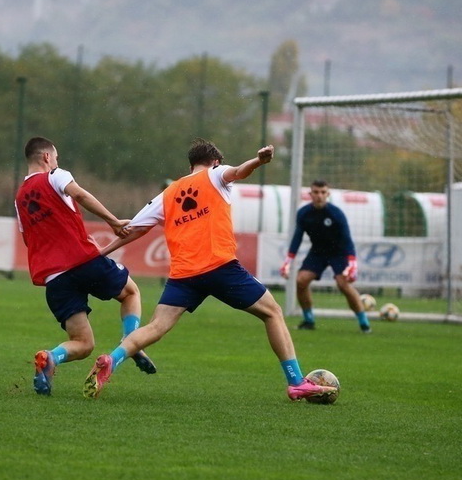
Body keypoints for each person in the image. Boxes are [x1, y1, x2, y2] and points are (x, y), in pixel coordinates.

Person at [82, 138, 337, 402]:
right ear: (215, 161)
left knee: (157, 326)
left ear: (191, 163)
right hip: (219, 267)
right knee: (272, 312)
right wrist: (259, 161)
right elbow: (238, 172)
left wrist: (101, 253)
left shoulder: (168, 193)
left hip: (184, 275)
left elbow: (134, 229)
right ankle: (296, 381)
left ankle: (112, 359)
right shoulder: (215, 175)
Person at [14, 136, 156, 396]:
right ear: (47, 157)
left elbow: (28, 238)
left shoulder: (19, 197)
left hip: (54, 277)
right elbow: (79, 194)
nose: (56, 161)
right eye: (55, 157)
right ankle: (130, 341)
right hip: (82, 261)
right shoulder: (55, 175)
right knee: (131, 292)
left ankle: (51, 357)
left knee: (82, 343)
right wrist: (113, 221)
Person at [278, 179, 371, 333]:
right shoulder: (303, 213)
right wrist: (288, 260)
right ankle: (309, 320)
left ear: (328, 194)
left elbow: (347, 239)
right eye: (316, 192)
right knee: (300, 281)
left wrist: (352, 263)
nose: (319, 196)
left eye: (322, 192)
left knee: (343, 285)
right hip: (317, 253)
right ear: (310, 194)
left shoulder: (336, 214)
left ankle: (364, 323)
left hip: (338, 252)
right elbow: (297, 238)